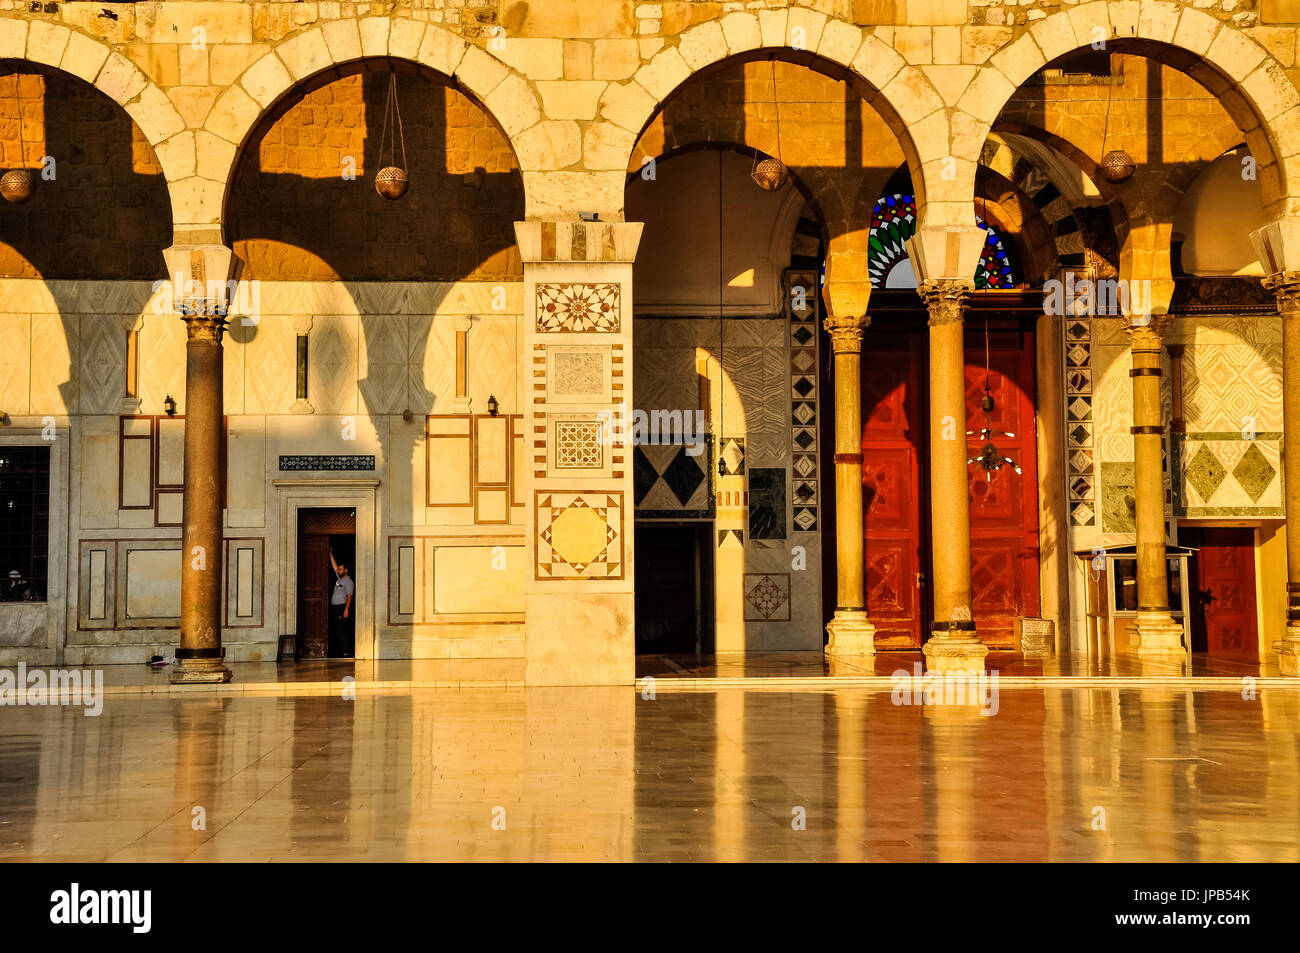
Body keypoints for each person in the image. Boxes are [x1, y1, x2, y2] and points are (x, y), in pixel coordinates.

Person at [328, 548, 355, 658]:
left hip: (342, 608)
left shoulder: (348, 581)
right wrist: (330, 553)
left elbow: (349, 596)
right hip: (336, 608)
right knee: (338, 630)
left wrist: (346, 609)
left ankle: (346, 652)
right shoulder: (339, 578)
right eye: (338, 569)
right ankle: (340, 651)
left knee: (342, 630)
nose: (338, 570)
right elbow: (334, 566)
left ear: (346, 570)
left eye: (340, 569)